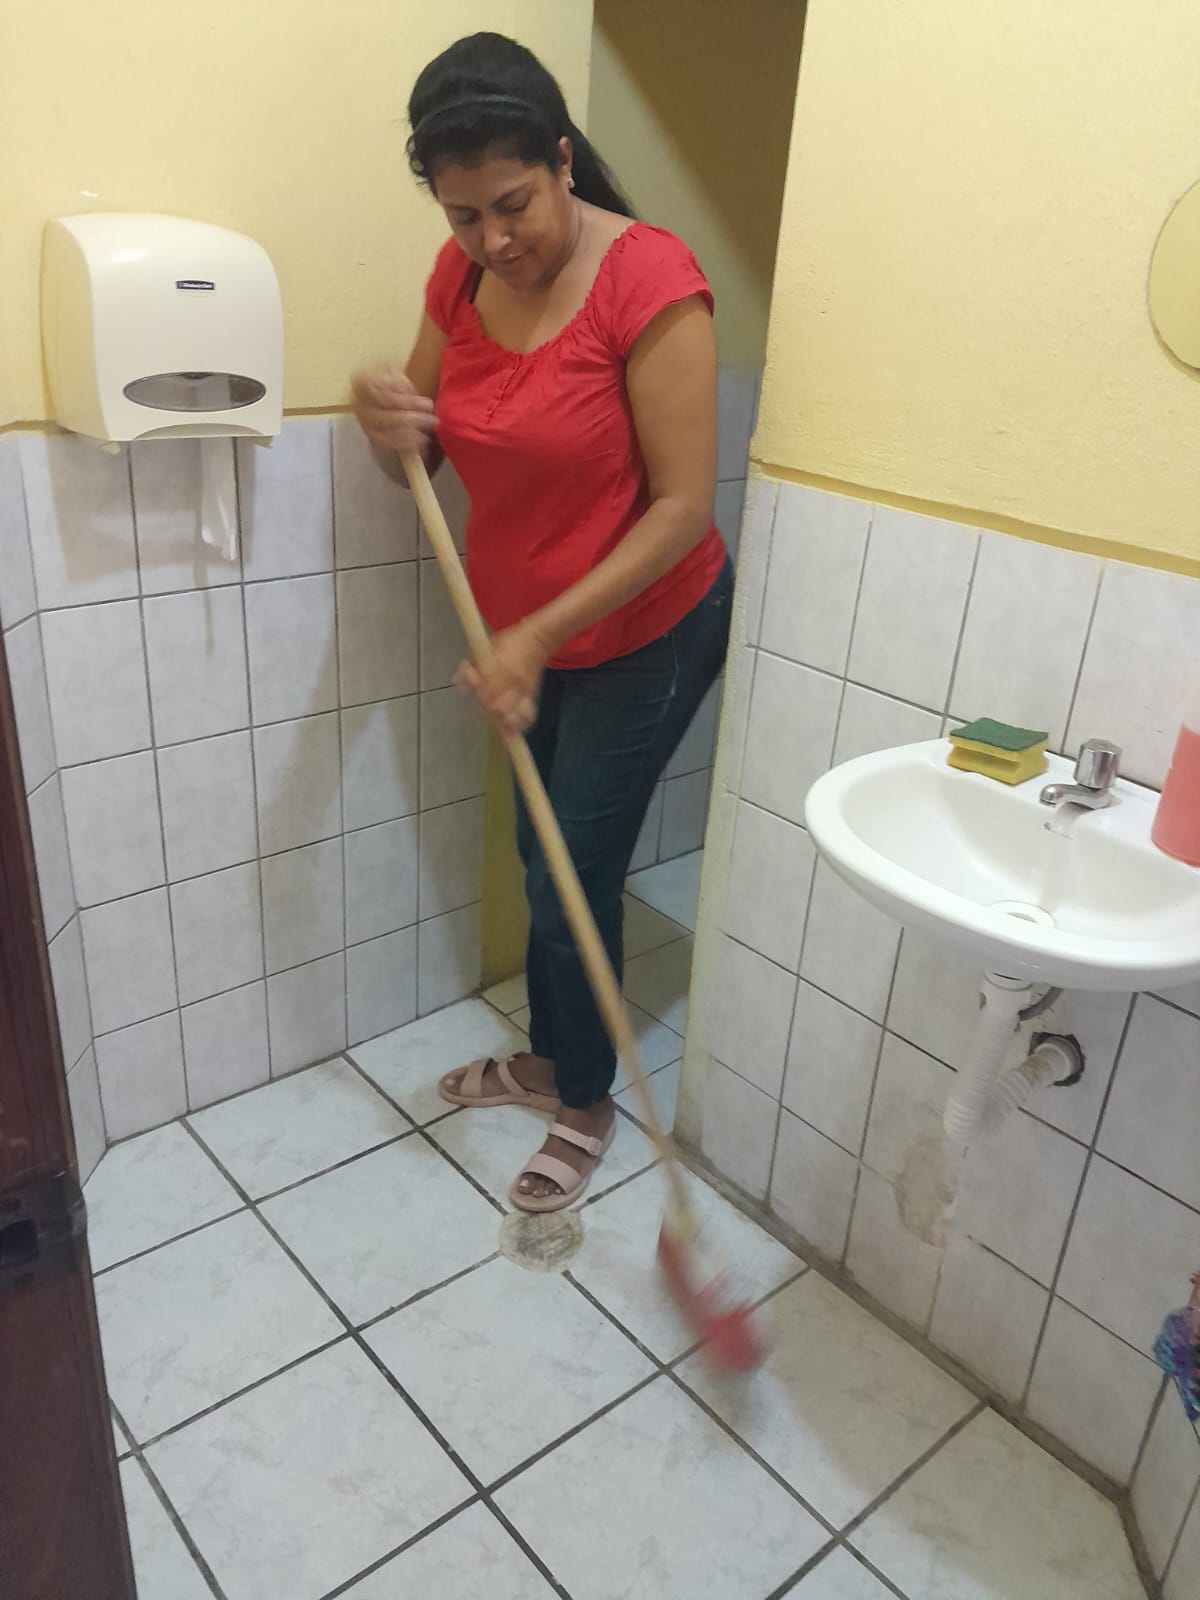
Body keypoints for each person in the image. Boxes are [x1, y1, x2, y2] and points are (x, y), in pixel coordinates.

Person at [351, 32, 731, 1213]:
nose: (492, 239)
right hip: (526, 638)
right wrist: (379, 417)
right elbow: (417, 455)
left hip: (647, 632)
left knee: (576, 869)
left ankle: (584, 1097)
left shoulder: (649, 281)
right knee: (541, 854)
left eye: (512, 204)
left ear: (563, 160)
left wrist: (531, 635)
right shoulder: (458, 279)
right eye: (463, 215)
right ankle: (555, 1057)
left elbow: (681, 507)